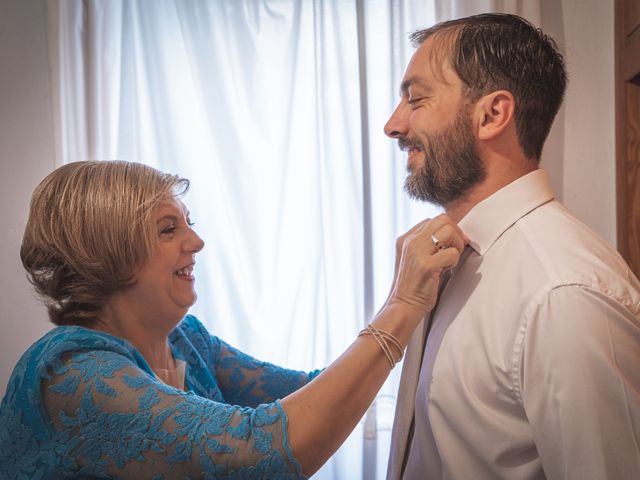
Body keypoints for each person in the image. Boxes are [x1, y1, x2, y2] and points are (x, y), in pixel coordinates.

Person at [0, 160, 465, 479]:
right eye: (169, 229)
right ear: (108, 255)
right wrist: (402, 305)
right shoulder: (74, 376)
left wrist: (420, 313)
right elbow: (260, 453)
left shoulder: (186, 340)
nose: (196, 242)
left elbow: (308, 392)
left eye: (188, 222)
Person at [384, 12, 640, 480]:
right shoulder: (444, 259)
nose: (393, 125)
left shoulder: (565, 293)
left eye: (416, 100)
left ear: (493, 114)